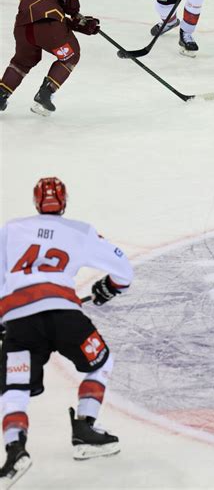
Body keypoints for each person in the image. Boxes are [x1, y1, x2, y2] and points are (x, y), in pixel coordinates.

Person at [0, 177, 133, 487]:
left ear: (36, 203)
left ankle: (15, 450)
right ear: (65, 203)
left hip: (20, 320)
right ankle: (85, 428)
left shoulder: (9, 230)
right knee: (101, 362)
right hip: (64, 317)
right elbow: (124, 271)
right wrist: (108, 287)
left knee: (15, 388)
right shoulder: (80, 231)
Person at [0, 0, 100, 117]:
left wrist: (79, 24)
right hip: (47, 26)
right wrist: (74, 8)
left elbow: (47, 13)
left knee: (21, 62)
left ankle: (1, 94)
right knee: (71, 55)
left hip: (24, 30)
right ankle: (45, 94)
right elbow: (54, 13)